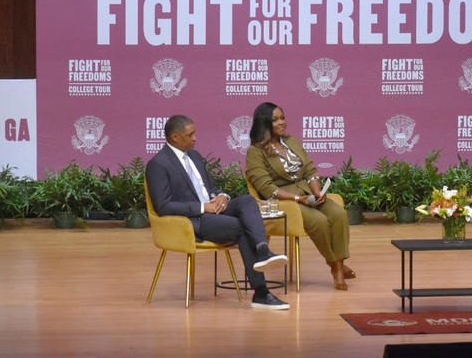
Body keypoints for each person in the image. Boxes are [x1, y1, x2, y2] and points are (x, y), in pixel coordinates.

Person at [146, 114, 290, 310]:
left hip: (213, 210)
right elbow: (163, 206)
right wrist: (203, 207)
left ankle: (263, 250)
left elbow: (210, 188)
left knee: (247, 200)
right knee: (241, 228)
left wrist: (222, 197)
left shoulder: (195, 157)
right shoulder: (158, 164)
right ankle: (261, 292)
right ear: (175, 138)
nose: (195, 138)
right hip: (193, 221)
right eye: (191, 134)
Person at [245, 102, 353, 291]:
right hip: (282, 201)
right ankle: (336, 266)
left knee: (339, 214)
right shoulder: (255, 152)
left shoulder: (292, 141)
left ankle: (338, 263)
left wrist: (318, 191)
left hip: (307, 193)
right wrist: (297, 199)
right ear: (264, 124)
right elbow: (267, 188)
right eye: (275, 120)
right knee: (318, 221)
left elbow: (310, 170)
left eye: (283, 118)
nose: (282, 123)